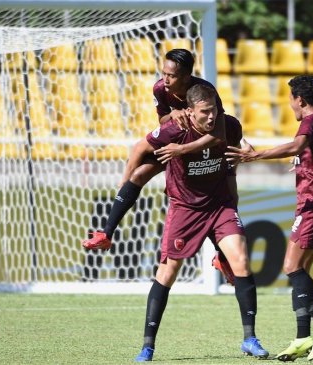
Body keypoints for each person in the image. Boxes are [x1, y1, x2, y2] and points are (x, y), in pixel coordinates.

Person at [133, 84, 268, 361]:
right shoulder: (174, 131)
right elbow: (141, 149)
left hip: (220, 206)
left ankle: (250, 338)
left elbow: (231, 160)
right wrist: (125, 189)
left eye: (214, 111)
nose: (211, 117)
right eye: (205, 112)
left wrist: (234, 194)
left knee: (241, 260)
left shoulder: (229, 126)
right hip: (185, 209)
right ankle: (148, 345)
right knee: (168, 273)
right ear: (191, 112)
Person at [226, 75, 313, 361]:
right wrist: (303, 163)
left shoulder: (310, 122)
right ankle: (303, 336)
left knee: (291, 266)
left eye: (290, 99)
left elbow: (295, 146)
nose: (290, 105)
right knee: (300, 270)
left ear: (299, 99)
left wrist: (256, 155)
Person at [82, 48, 226, 251]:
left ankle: (221, 255)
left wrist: (182, 149)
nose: (165, 79)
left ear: (186, 77)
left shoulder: (204, 92)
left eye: (171, 75)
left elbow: (219, 133)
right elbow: (161, 120)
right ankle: (106, 233)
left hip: (202, 151)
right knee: (138, 174)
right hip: (177, 141)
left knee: (207, 198)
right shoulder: (160, 89)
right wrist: (123, 182)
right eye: (164, 73)